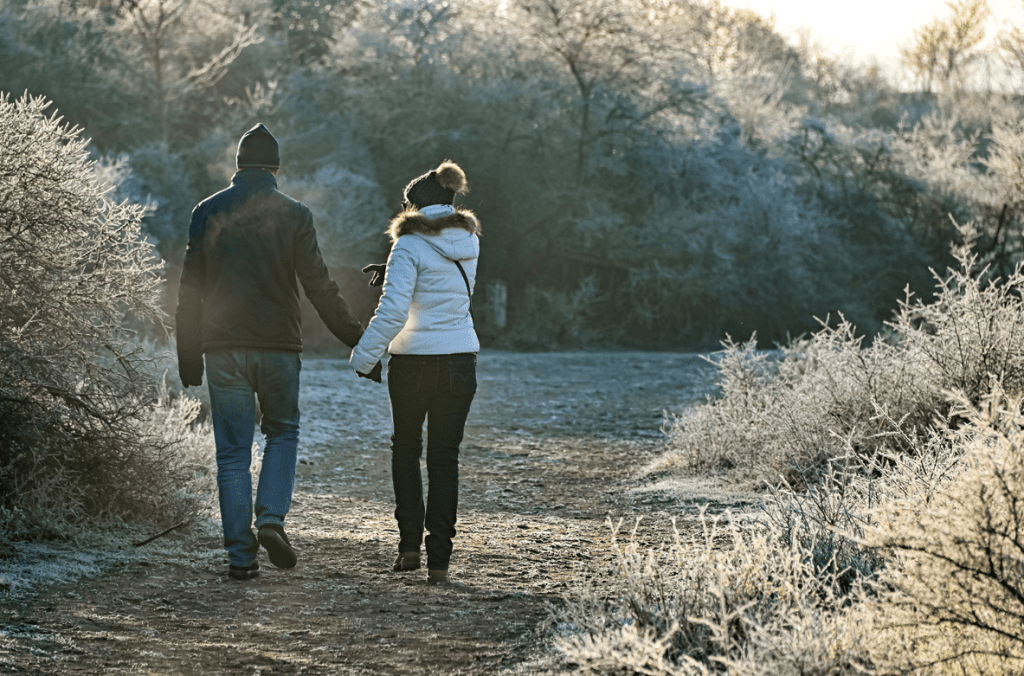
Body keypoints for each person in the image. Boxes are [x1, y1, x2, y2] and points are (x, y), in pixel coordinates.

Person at [175, 123, 364, 580]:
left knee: (232, 454)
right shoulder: (295, 215)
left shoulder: (207, 210)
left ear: (238, 166)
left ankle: (241, 557)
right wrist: (356, 338)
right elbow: (319, 285)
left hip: (222, 349)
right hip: (278, 348)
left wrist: (188, 354)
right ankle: (271, 520)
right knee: (282, 433)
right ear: (276, 168)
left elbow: (190, 291)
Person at [351, 160, 480, 585]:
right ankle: (440, 561)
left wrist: (363, 357)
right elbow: (443, 286)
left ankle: (408, 549)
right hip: (460, 360)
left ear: (416, 207)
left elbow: (392, 312)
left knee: (406, 450)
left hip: (413, 364)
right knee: (445, 458)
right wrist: (394, 272)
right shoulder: (469, 241)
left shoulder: (407, 246)